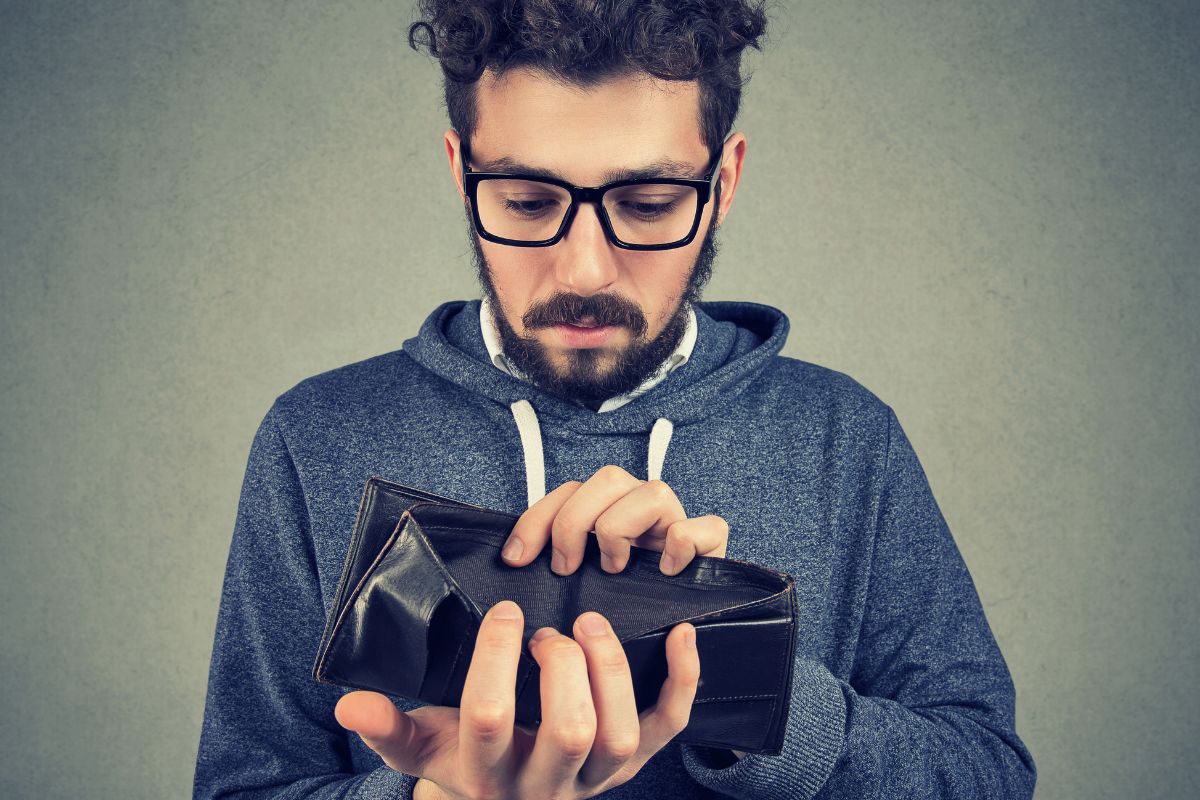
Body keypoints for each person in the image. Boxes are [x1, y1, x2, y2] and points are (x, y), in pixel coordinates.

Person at [193, 1, 1036, 798]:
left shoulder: (846, 438)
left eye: (648, 205)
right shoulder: (318, 436)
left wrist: (736, 677)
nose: (586, 271)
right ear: (460, 172)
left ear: (724, 182)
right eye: (528, 202)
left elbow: (986, 773)